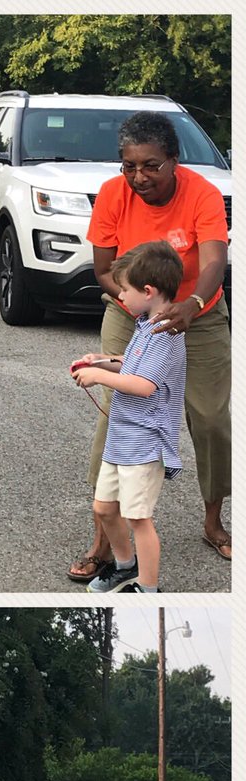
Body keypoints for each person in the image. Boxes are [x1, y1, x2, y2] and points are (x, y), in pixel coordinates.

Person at [68, 110, 231, 583]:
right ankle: (104, 538)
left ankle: (213, 520)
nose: (139, 176)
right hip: (130, 311)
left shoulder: (201, 193)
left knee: (210, 416)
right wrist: (131, 306)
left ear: (174, 161)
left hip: (197, 313)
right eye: (129, 166)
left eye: (151, 166)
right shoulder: (114, 194)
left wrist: (191, 303)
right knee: (115, 412)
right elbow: (103, 267)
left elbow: (214, 259)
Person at [70, 241, 186, 593]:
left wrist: (100, 377)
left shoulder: (166, 335)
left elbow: (145, 384)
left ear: (148, 291)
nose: (121, 296)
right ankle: (124, 566)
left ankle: (148, 589)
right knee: (105, 508)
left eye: (125, 290)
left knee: (138, 517)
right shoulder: (144, 324)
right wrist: (102, 361)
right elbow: (131, 366)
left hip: (145, 442)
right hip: (122, 438)